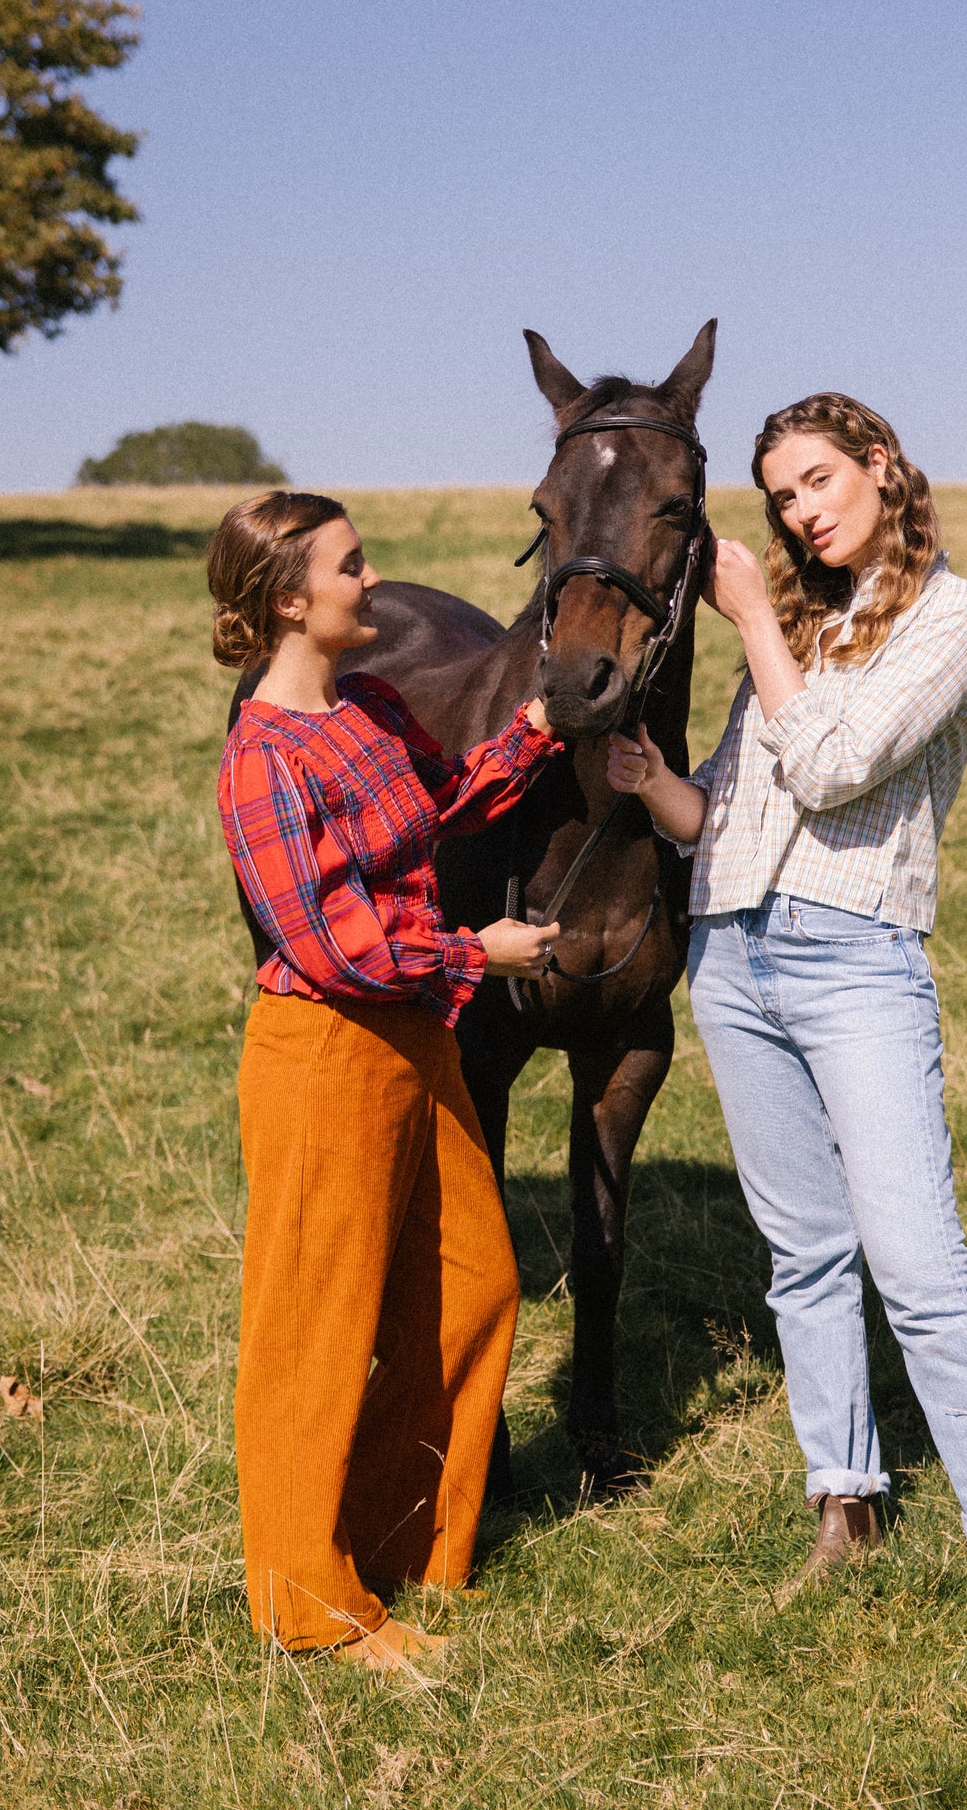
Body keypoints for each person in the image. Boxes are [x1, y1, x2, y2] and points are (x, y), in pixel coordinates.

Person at [607, 394, 967, 1646]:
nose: (800, 512)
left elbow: (829, 767)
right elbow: (728, 814)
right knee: (802, 1255)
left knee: (915, 1262)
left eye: (815, 480)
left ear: (880, 467)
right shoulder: (802, 623)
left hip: (852, 957)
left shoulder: (946, 616)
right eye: (780, 498)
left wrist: (753, 614)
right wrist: (655, 784)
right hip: (734, 957)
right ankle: (844, 1504)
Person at [208, 489, 561, 1680]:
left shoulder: (366, 707)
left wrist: (537, 731)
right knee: (312, 1332)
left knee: (475, 1286)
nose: (375, 579)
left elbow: (440, 804)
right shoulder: (263, 758)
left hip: (416, 1043)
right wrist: (478, 953)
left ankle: (391, 1547)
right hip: (322, 1052)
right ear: (289, 600)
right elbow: (327, 946)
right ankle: (305, 1601)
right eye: (351, 566)